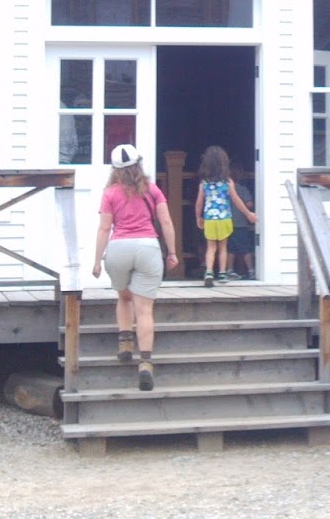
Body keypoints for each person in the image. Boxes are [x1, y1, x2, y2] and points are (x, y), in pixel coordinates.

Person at [91, 143, 178, 391]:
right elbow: (166, 222)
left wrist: (98, 260)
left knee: (124, 297)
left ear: (115, 169)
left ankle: (125, 343)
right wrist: (171, 252)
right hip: (148, 248)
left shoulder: (109, 193)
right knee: (145, 311)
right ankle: (146, 364)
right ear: (139, 164)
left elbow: (104, 228)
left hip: (119, 248)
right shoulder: (152, 190)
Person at [194, 145, 255, 287]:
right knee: (223, 247)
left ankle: (209, 271)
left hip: (209, 218)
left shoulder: (204, 183)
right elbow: (236, 200)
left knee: (210, 247)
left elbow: (199, 202)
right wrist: (248, 213)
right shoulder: (227, 182)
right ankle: (222, 273)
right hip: (224, 218)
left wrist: (198, 217)